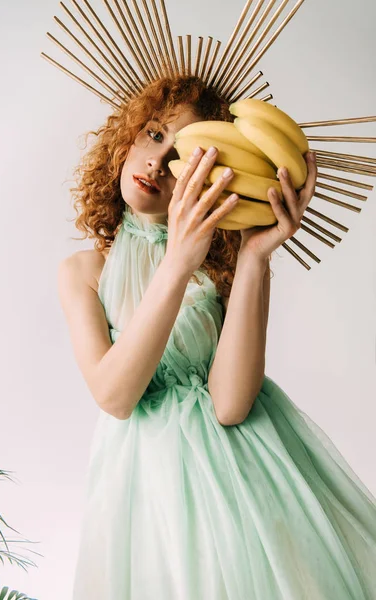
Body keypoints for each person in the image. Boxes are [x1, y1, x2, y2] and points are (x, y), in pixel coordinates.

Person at [58, 76, 376, 599]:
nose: (158, 165)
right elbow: (115, 396)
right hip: (144, 490)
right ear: (128, 134)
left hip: (245, 479)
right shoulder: (84, 271)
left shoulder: (222, 271)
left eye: (184, 155)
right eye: (155, 134)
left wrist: (254, 259)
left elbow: (230, 405)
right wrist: (177, 261)